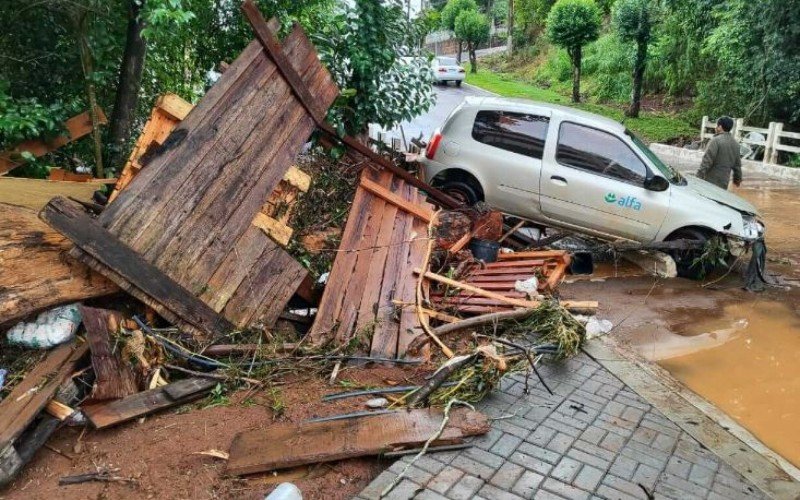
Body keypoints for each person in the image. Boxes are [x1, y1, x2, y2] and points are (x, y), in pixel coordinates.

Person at [697, 116, 742, 190]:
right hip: (724, 182)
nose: (715, 128)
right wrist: (737, 180)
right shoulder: (736, 144)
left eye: (716, 126)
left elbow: (707, 161)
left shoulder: (715, 141)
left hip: (710, 181)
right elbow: (737, 166)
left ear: (720, 127)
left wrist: (698, 176)